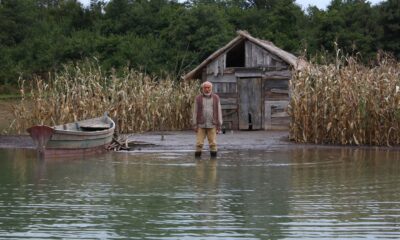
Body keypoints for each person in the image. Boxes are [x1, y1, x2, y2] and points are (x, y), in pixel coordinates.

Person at [192, 81, 223, 158]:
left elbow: (219, 111)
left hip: (212, 124)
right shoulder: (198, 98)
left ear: (211, 88)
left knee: (213, 144)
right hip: (200, 125)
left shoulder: (216, 98)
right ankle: (198, 164)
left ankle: (213, 164)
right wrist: (195, 124)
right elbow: (195, 112)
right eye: (205, 87)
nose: (207, 89)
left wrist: (219, 125)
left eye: (208, 87)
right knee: (199, 144)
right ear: (202, 88)